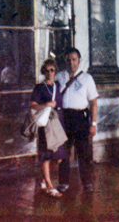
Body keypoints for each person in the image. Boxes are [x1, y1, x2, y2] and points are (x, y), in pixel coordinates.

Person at [56, 47, 99, 193]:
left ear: (79, 61)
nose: (71, 63)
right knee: (64, 153)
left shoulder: (87, 79)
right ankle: (63, 182)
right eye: (68, 60)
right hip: (64, 118)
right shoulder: (59, 77)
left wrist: (93, 124)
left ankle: (87, 182)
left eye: (74, 60)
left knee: (84, 153)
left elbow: (93, 103)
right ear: (65, 61)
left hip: (80, 118)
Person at [29, 58, 68, 199]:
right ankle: (51, 186)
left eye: (52, 70)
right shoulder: (39, 87)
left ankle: (44, 179)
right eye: (47, 70)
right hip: (47, 123)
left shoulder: (57, 85)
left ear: (55, 71)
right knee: (46, 156)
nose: (50, 72)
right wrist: (46, 105)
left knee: (58, 157)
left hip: (58, 122)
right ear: (43, 72)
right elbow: (33, 105)